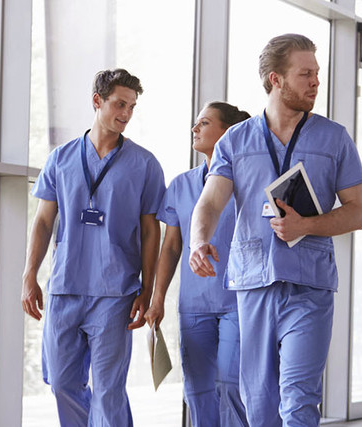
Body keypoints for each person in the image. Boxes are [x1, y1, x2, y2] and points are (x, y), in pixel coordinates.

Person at [188, 34, 362, 426]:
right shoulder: (235, 140)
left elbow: (358, 213)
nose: (315, 82)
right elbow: (211, 201)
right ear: (276, 79)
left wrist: (307, 225)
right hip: (254, 284)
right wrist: (199, 239)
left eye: (317, 74)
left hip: (310, 285)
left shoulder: (334, 138)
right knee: (259, 403)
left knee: (300, 399)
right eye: (305, 74)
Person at [21, 68, 165, 426]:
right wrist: (29, 274)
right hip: (65, 288)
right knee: (62, 383)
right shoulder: (61, 159)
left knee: (108, 390)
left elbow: (151, 231)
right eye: (119, 104)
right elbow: (42, 222)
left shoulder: (144, 164)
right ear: (97, 101)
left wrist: (148, 289)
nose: (126, 114)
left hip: (114, 294)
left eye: (132, 107)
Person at [144, 102, 250, 427]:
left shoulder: (249, 182)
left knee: (231, 385)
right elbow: (171, 246)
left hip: (239, 302)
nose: (195, 129)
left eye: (204, 123)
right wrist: (157, 298)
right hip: (193, 306)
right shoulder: (180, 185)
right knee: (198, 392)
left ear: (228, 132)